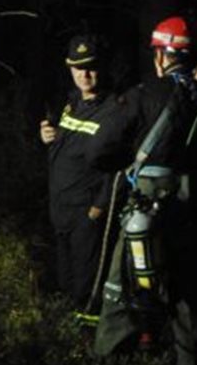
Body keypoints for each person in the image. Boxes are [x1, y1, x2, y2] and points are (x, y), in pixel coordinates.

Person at [90, 16, 197, 365]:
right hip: (195, 222)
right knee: (189, 311)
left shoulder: (143, 95)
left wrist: (128, 160)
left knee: (119, 299)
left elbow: (99, 152)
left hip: (144, 215)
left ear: (161, 58)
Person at [39, 35, 117, 312]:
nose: (84, 74)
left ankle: (91, 347)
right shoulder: (71, 102)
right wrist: (49, 134)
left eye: (91, 67)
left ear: (103, 67)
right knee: (65, 280)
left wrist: (99, 206)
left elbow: (118, 164)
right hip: (61, 208)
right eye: (78, 67)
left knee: (86, 286)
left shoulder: (113, 111)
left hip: (87, 212)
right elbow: (65, 146)